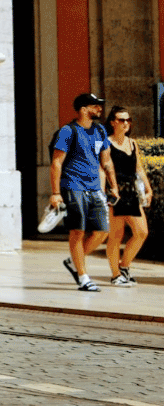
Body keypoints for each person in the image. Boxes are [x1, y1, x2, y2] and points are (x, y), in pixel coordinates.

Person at [50, 92, 119, 290]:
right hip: (73, 186)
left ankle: (73, 261)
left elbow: (106, 160)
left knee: (102, 231)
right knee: (78, 231)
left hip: (95, 188)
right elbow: (57, 162)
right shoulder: (68, 131)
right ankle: (83, 277)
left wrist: (113, 185)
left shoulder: (100, 130)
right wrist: (55, 193)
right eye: (95, 105)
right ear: (83, 109)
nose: (99, 109)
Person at [106, 106, 151, 286]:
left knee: (142, 232)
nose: (126, 123)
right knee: (116, 235)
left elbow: (138, 168)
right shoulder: (105, 143)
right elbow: (104, 169)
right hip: (114, 192)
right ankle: (116, 275)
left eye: (128, 120)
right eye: (122, 120)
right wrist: (109, 191)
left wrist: (148, 189)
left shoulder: (132, 143)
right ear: (113, 122)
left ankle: (124, 266)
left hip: (131, 192)